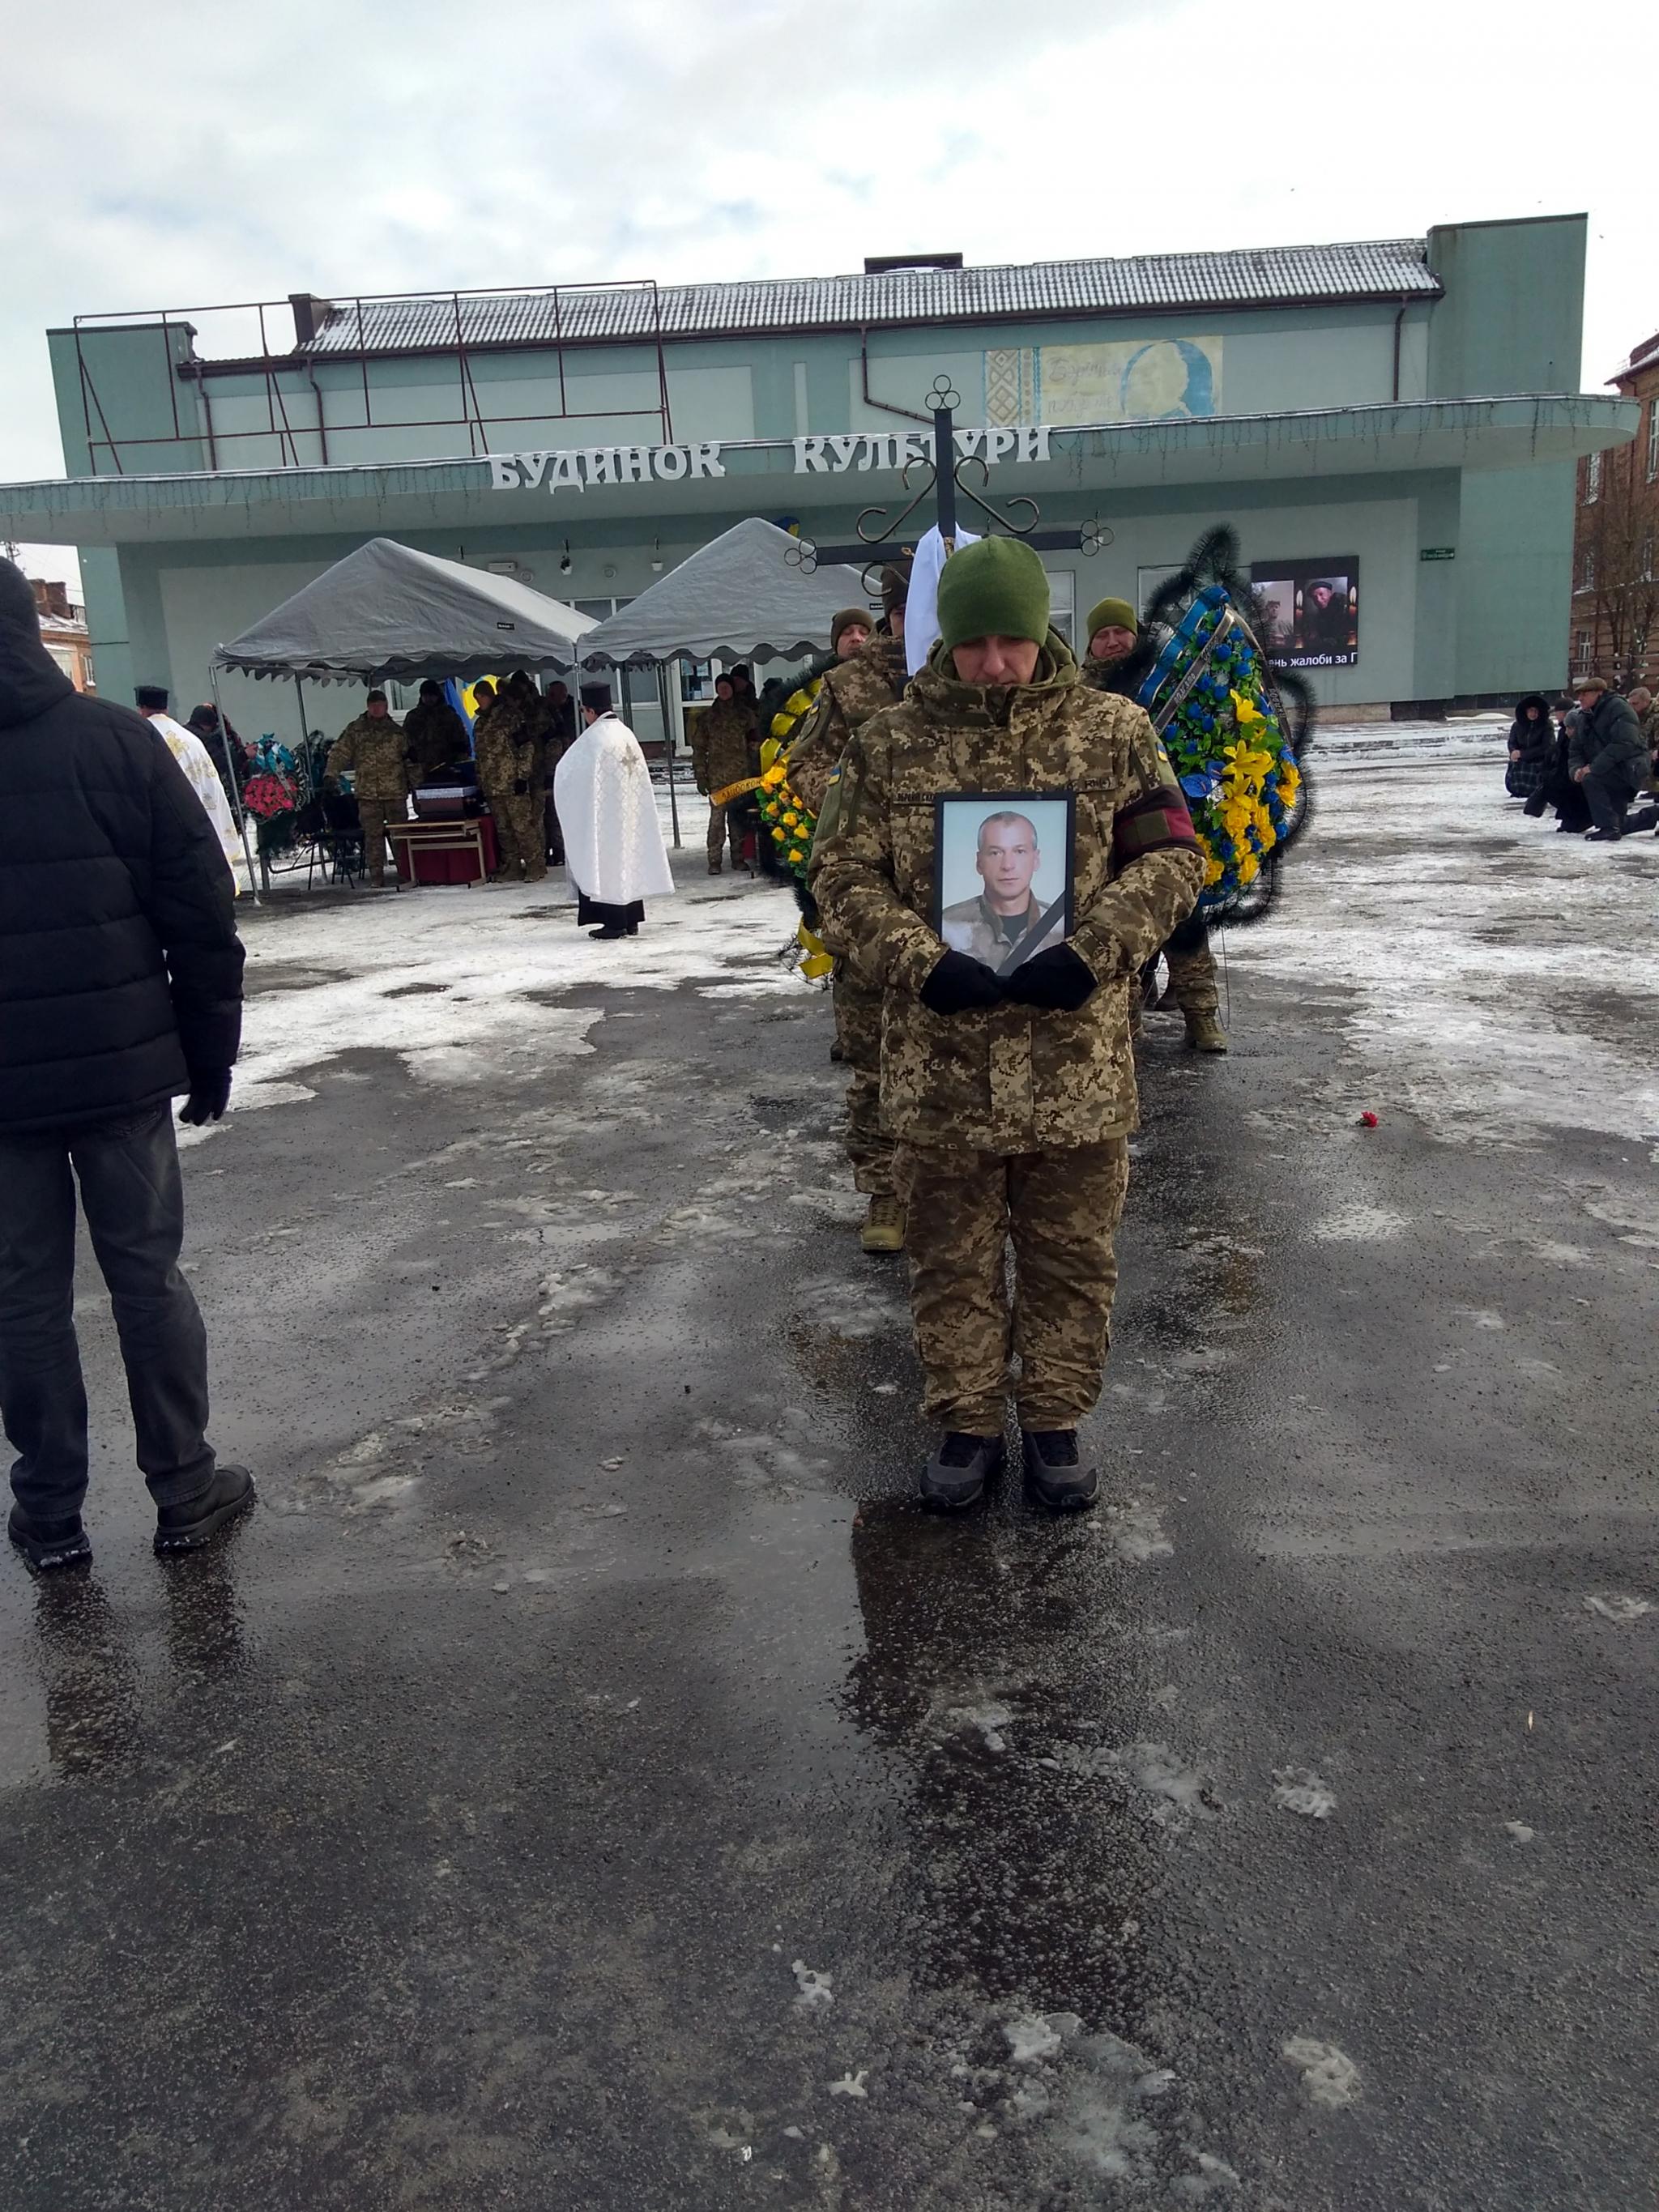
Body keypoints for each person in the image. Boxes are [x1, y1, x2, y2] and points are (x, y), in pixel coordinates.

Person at [812, 537, 1204, 1514]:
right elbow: (842, 877)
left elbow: (1171, 863)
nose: (994, 662)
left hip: (1074, 1063)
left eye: (1012, 641)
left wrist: (1093, 950)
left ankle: (1058, 1422)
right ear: (946, 637)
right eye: (975, 640)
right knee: (950, 1258)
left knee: (1071, 1255)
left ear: (1043, 635)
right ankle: (965, 1422)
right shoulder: (889, 741)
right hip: (941, 1066)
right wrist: (920, 960)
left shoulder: (1114, 733)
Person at [0, 558, 252, 1572]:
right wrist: (211, 1053)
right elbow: (199, 915)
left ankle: (50, 1514)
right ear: (33, 631)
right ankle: (184, 1490)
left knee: (21, 1297)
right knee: (146, 1276)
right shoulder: (119, 745)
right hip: (121, 1079)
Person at [791, 563, 913, 1255]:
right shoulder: (849, 685)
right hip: (869, 900)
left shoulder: (979, 679)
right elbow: (803, 767)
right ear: (893, 614)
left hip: (968, 899)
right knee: (874, 1058)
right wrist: (859, 795)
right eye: (907, 609)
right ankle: (885, 1194)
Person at [1082, 599, 1226, 1052]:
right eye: (1101, 635)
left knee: (1184, 919)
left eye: (1119, 633)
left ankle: (1201, 1015)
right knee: (1116, 918)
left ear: (1137, 635)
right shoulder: (1078, 692)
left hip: (1164, 813)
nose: (1111, 642)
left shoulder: (1168, 682)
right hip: (1108, 823)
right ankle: (1125, 1026)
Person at [554, 683, 675, 938]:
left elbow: (568, 771)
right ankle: (631, 919)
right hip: (628, 811)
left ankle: (614, 923)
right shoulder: (625, 733)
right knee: (627, 863)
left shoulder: (596, 738)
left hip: (605, 816)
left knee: (608, 865)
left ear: (589, 711)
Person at [136, 688, 249, 891]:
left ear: (141, 709)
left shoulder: (142, 737)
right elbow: (212, 781)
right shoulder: (189, 738)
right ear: (166, 708)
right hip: (202, 822)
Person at [940, 811, 1056, 965]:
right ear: (979, 862)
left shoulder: (1061, 925)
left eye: (1019, 851)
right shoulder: (947, 925)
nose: (1007, 865)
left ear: (1036, 860)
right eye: (995, 853)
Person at [325, 689, 411, 887]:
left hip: (395, 791)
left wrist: (416, 784)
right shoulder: (356, 730)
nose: (377, 708)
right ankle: (376, 877)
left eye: (380, 705)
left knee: (401, 835)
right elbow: (340, 752)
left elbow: (409, 760)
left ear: (386, 706)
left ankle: (406, 872)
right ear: (368, 706)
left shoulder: (397, 732)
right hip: (368, 793)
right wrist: (331, 774)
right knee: (373, 837)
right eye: (373, 705)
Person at [473, 671, 548, 883]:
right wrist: (481, 782)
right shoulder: (479, 725)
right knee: (504, 831)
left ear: (491, 697)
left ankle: (536, 865)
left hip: (512, 782)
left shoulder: (511, 717)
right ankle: (513, 866)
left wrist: (522, 776)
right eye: (477, 698)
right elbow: (479, 756)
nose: (480, 701)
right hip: (492, 785)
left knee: (522, 827)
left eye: (483, 696)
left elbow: (526, 747)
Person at [691, 674, 760, 874]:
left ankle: (738, 858)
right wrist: (701, 776)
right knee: (716, 822)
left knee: (737, 821)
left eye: (727, 687)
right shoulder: (707, 718)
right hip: (717, 779)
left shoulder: (745, 715)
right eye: (720, 688)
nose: (724, 691)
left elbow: (755, 744)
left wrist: (755, 772)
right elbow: (699, 749)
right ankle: (714, 860)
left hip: (741, 778)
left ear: (732, 689)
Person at [1569, 676, 1647, 841]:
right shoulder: (1584, 717)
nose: (1580, 698)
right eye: (1579, 695)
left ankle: (1608, 828)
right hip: (1609, 769)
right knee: (1621, 824)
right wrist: (1576, 770)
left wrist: (1592, 768)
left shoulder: (1618, 708)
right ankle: (1652, 815)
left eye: (1585, 694)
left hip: (1628, 769)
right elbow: (1575, 750)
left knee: (1591, 779)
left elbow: (1624, 743)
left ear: (1599, 693)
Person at [403, 679, 470, 782]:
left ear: (438, 696)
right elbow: (405, 742)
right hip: (420, 768)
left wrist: (458, 759)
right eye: (426, 695)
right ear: (421, 696)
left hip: (446, 766)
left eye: (432, 695)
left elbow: (461, 742)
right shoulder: (413, 717)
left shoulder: (449, 716)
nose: (429, 699)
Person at [543, 679, 578, 867]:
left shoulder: (574, 712)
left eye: (552, 696)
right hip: (553, 770)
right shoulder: (549, 712)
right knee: (551, 812)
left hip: (571, 767)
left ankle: (564, 849)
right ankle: (556, 850)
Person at [185, 701, 246, 799]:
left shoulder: (182, 733)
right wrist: (244, 755)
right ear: (208, 725)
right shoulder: (204, 739)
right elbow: (222, 764)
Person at [1504, 693, 1554, 801]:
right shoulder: (1517, 725)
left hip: (1539, 760)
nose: (1533, 714)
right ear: (1526, 711)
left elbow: (1547, 747)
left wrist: (1523, 754)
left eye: (1536, 711)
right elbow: (1512, 742)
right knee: (1515, 767)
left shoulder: (1547, 725)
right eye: (1531, 710)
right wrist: (1513, 752)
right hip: (1521, 760)